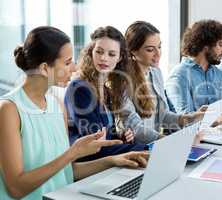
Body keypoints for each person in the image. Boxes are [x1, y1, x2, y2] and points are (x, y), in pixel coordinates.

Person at [0, 26, 148, 200]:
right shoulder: (9, 110)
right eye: (68, 62)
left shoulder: (56, 105)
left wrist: (115, 160)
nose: (74, 67)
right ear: (45, 68)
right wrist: (73, 153)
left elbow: (66, 172)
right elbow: (16, 188)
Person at [64, 26, 147, 161]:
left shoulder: (106, 90)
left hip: (107, 163)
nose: (103, 58)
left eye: (111, 54)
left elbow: (107, 138)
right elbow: (95, 145)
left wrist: (120, 137)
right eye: (99, 52)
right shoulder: (79, 89)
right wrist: (145, 149)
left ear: (119, 58)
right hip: (89, 168)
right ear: (91, 52)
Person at [115, 21, 205, 144]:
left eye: (159, 47)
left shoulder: (155, 73)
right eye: (150, 49)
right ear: (133, 51)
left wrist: (189, 118)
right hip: (136, 150)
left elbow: (162, 116)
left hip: (156, 146)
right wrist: (172, 141)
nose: (158, 53)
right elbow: (135, 128)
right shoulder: (122, 81)